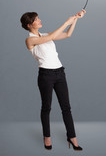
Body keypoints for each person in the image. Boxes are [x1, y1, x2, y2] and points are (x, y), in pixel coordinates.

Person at [20, 9, 86, 151]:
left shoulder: (45, 34)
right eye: (36, 19)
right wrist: (66, 22)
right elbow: (50, 38)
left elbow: (68, 34)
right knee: (46, 107)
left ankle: (72, 137)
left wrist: (75, 19)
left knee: (66, 108)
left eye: (38, 18)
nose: (39, 20)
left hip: (60, 73)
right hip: (46, 76)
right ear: (29, 25)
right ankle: (47, 137)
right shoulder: (30, 40)